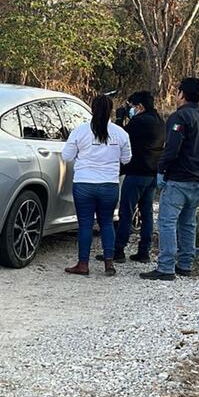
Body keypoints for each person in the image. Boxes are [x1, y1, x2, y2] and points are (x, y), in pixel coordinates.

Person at [141, 78, 199, 281]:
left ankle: (166, 267)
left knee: (167, 221)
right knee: (188, 223)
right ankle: (185, 264)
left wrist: (161, 170)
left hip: (179, 178)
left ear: (182, 94)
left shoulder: (179, 117)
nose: (176, 97)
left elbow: (172, 148)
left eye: (177, 93)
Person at [62, 95, 132, 276]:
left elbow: (67, 156)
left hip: (84, 183)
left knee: (85, 224)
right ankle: (109, 263)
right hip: (109, 184)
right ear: (111, 111)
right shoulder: (120, 133)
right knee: (107, 223)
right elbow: (127, 159)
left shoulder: (80, 131)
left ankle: (83, 264)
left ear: (92, 109)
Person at [107, 91, 165, 263]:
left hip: (137, 172)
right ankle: (144, 251)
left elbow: (121, 137)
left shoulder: (139, 121)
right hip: (152, 173)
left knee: (126, 212)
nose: (131, 109)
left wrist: (119, 120)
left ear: (139, 106)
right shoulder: (160, 121)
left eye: (131, 106)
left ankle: (118, 250)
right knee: (146, 214)